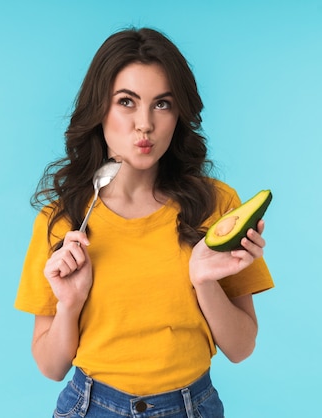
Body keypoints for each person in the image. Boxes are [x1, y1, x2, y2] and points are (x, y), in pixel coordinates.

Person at [14, 27, 274, 418]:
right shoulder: (63, 220)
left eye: (162, 104)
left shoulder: (218, 205)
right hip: (90, 407)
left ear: (178, 114)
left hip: (191, 407)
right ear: (99, 108)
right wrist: (70, 304)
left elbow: (241, 348)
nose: (145, 124)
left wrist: (204, 281)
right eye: (127, 102)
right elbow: (51, 368)